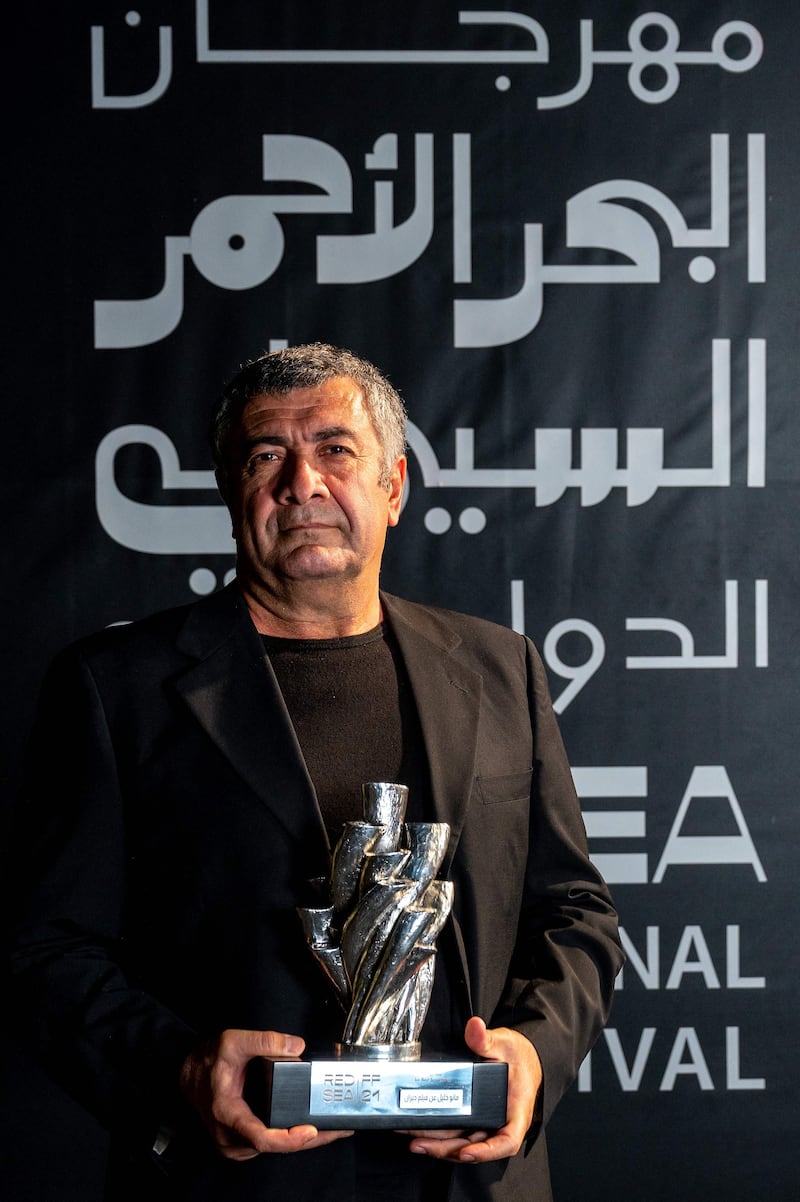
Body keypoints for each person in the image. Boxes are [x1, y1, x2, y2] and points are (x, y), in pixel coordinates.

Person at [8, 343, 624, 1202]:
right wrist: (183, 1069)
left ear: (395, 485)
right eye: (268, 456)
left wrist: (534, 1053)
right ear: (232, 493)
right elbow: (45, 949)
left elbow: (574, 913)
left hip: (468, 1180)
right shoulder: (116, 688)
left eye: (335, 449)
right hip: (235, 1184)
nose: (302, 483)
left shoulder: (500, 669)